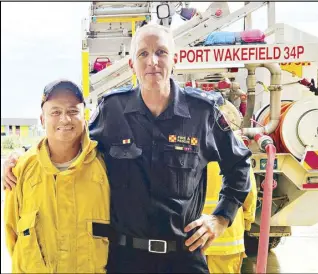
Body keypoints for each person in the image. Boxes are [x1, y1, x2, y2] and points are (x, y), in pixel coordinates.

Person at [3, 23, 252, 273]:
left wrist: (220, 218)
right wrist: (20, 156)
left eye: (161, 52)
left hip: (183, 258)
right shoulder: (113, 110)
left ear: (174, 59)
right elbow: (71, 139)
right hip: (125, 259)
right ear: (132, 64)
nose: (152, 61)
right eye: (143, 53)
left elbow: (239, 164)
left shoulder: (202, 113)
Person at [4, 80, 110, 273]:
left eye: (72, 111)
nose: (64, 119)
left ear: (84, 117)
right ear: (43, 119)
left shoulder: (104, 166)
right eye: (55, 112)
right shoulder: (20, 170)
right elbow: (12, 236)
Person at [203, 161, 257, 273]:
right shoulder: (234, 149)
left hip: (192, 239)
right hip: (228, 237)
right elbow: (248, 192)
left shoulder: (187, 149)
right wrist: (246, 222)